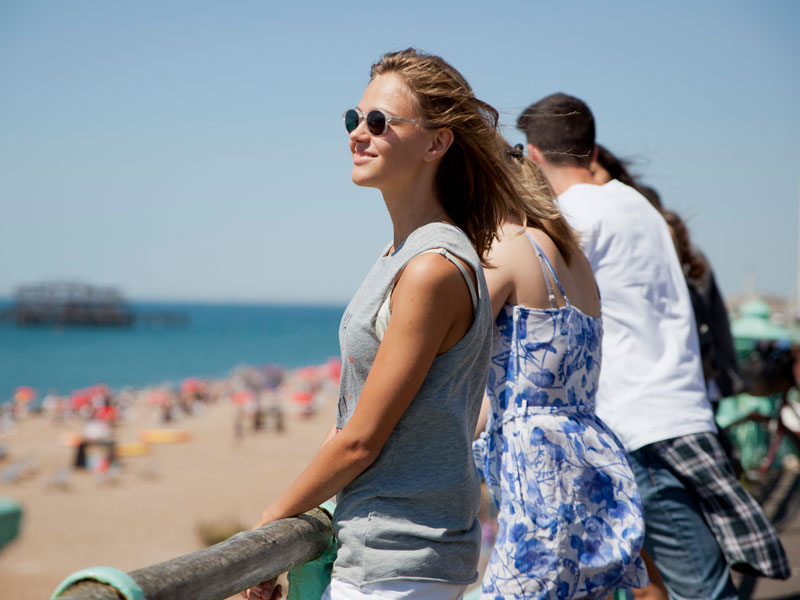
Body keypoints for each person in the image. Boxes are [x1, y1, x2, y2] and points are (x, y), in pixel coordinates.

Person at [243, 48, 526, 600]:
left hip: (398, 561)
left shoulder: (430, 269)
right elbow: (352, 418)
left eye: (379, 122)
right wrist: (303, 512)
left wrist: (270, 523)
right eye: (354, 119)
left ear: (436, 142)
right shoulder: (402, 255)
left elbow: (361, 442)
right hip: (381, 551)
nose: (358, 134)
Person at [516, 93, 789, 599]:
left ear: (533, 155)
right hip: (683, 409)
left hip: (639, 428)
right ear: (590, 148)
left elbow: (534, 308)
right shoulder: (636, 204)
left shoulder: (572, 216)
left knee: (699, 591)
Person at [473, 144, 648, 598]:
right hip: (586, 456)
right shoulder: (574, 259)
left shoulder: (508, 246)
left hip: (539, 472)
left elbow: (447, 345)